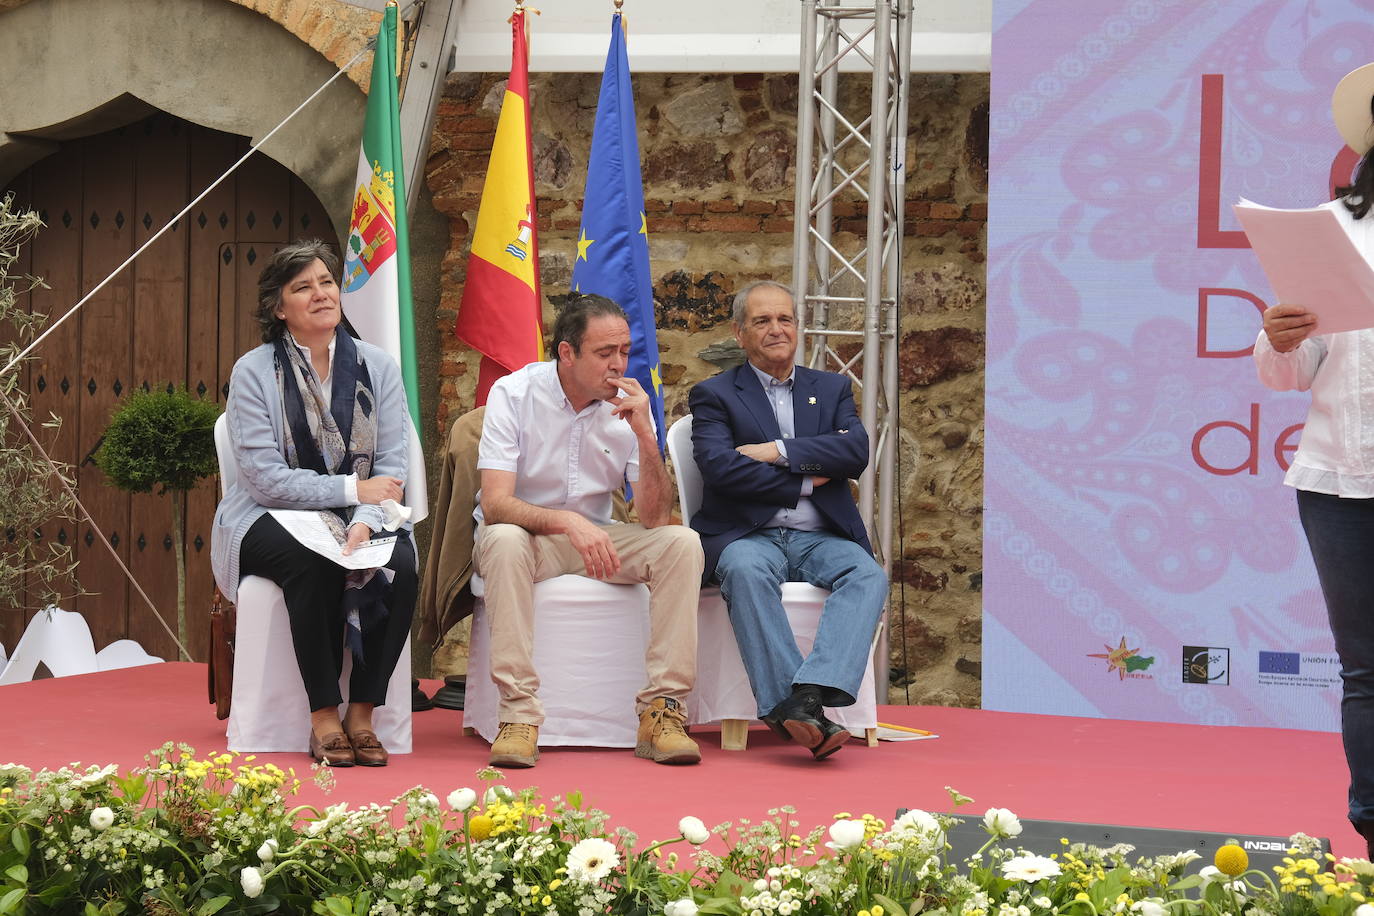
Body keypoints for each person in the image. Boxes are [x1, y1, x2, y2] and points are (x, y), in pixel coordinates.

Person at [474, 293, 705, 769]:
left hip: (598, 539)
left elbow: (655, 520)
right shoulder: (513, 394)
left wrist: (646, 434)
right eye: (605, 353)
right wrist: (567, 521)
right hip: (528, 537)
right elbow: (496, 504)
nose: (618, 365)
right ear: (566, 353)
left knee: (681, 543)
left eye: (624, 351)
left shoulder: (630, 404)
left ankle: (661, 712)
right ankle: (519, 715)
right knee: (501, 539)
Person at [211, 239, 417, 768]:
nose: (321, 294)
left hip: (361, 512)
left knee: (402, 563)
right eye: (303, 287)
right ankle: (323, 714)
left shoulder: (378, 366)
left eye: (327, 282)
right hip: (265, 516)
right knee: (312, 559)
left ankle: (363, 712)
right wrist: (351, 491)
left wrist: (367, 521)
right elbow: (263, 479)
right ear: (280, 307)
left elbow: (392, 464)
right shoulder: (253, 372)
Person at [687, 280, 888, 760]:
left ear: (797, 326)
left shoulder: (832, 387)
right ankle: (804, 711)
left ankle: (805, 699)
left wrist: (776, 451)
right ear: (740, 333)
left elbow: (854, 452)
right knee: (744, 569)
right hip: (747, 534)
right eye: (762, 321)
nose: (777, 330)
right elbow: (720, 468)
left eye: (785, 319)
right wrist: (804, 479)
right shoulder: (714, 394)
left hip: (819, 535)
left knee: (867, 574)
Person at [1254, 61, 1374, 857]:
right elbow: (1287, 374)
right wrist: (1278, 334)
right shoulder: (1338, 231)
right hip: (1340, 483)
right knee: (1367, 673)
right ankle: (1373, 831)